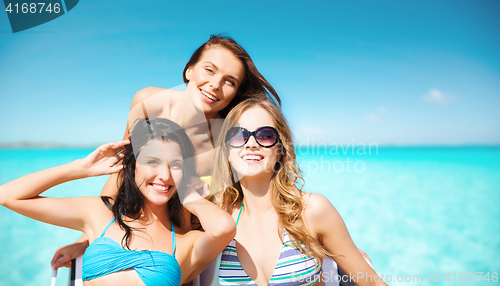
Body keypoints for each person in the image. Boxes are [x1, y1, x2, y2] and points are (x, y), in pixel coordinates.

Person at [51, 34, 281, 269]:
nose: (215, 84)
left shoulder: (228, 136)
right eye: (209, 70)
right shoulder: (150, 102)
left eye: (229, 81)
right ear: (189, 70)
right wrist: (87, 239)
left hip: (187, 242)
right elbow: (121, 173)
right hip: (135, 228)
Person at [0, 118, 236, 285]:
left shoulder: (185, 242)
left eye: (175, 165)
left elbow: (224, 228)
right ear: (132, 167)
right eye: (152, 162)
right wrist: (81, 167)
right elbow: (8, 195)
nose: (164, 175)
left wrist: (189, 193)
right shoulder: (100, 214)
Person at [212, 97, 387, 286]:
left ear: (280, 150)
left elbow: (372, 283)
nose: (251, 143)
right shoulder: (219, 219)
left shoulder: (311, 210)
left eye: (265, 135)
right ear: (227, 151)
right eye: (238, 135)